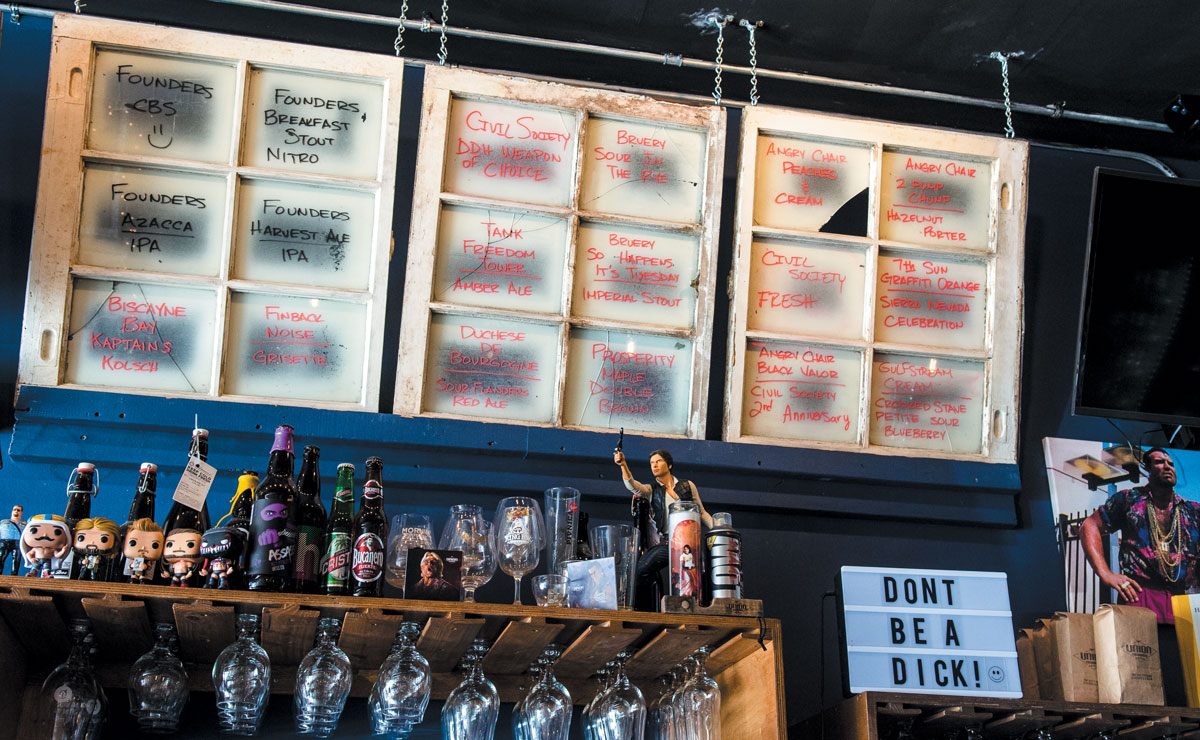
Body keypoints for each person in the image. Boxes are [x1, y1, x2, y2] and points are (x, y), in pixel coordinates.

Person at [1081, 447, 1200, 623]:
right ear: (1147, 469)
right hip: (1140, 594)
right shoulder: (1129, 500)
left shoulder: (1193, 510)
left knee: (1178, 642)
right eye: (1159, 462)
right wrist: (1106, 573)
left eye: (1171, 464)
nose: (1167, 466)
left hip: (1182, 597)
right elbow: (1089, 526)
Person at [614, 448, 713, 611]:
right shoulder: (651, 490)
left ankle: (694, 609)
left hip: (689, 543)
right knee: (641, 569)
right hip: (668, 543)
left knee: (696, 579)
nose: (654, 465)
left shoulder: (687, 486)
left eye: (658, 461)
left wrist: (718, 529)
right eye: (652, 463)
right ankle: (644, 606)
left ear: (669, 464)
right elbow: (633, 486)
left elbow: (701, 512)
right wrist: (623, 465)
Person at [0, 505, 25, 576]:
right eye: (15, 509)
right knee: (1, 557)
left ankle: (14, 576)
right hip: (4, 542)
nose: (16, 511)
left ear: (21, 512)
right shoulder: (3, 522)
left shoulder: (24, 524)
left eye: (18, 510)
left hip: (17, 543)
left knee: (16, 561)